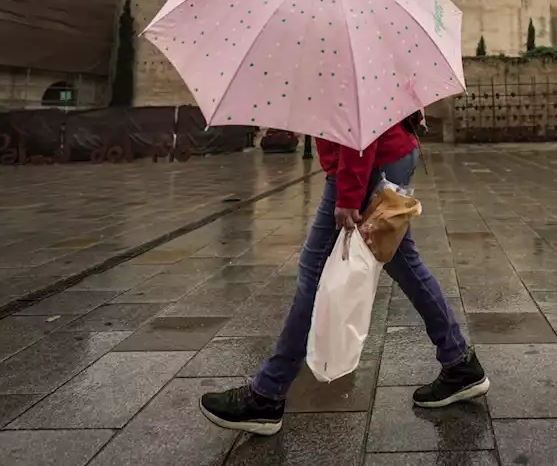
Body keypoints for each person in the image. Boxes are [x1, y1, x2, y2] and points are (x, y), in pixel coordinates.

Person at [199, 113, 487, 436]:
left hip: (367, 162)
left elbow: (357, 119)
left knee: (314, 274)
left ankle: (267, 395)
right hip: (392, 152)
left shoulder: (337, 61)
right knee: (405, 264)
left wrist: (349, 193)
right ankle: (459, 362)